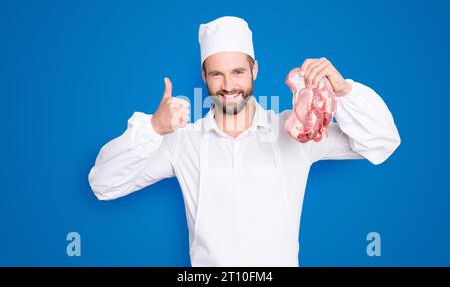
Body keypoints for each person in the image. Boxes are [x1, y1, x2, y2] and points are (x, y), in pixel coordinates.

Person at [88, 16, 401, 267]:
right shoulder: (182, 142)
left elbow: (382, 143)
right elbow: (104, 185)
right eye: (217, 75)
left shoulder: (298, 131)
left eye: (238, 71)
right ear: (203, 76)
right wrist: (153, 128)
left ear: (255, 69)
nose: (228, 85)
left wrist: (343, 91)